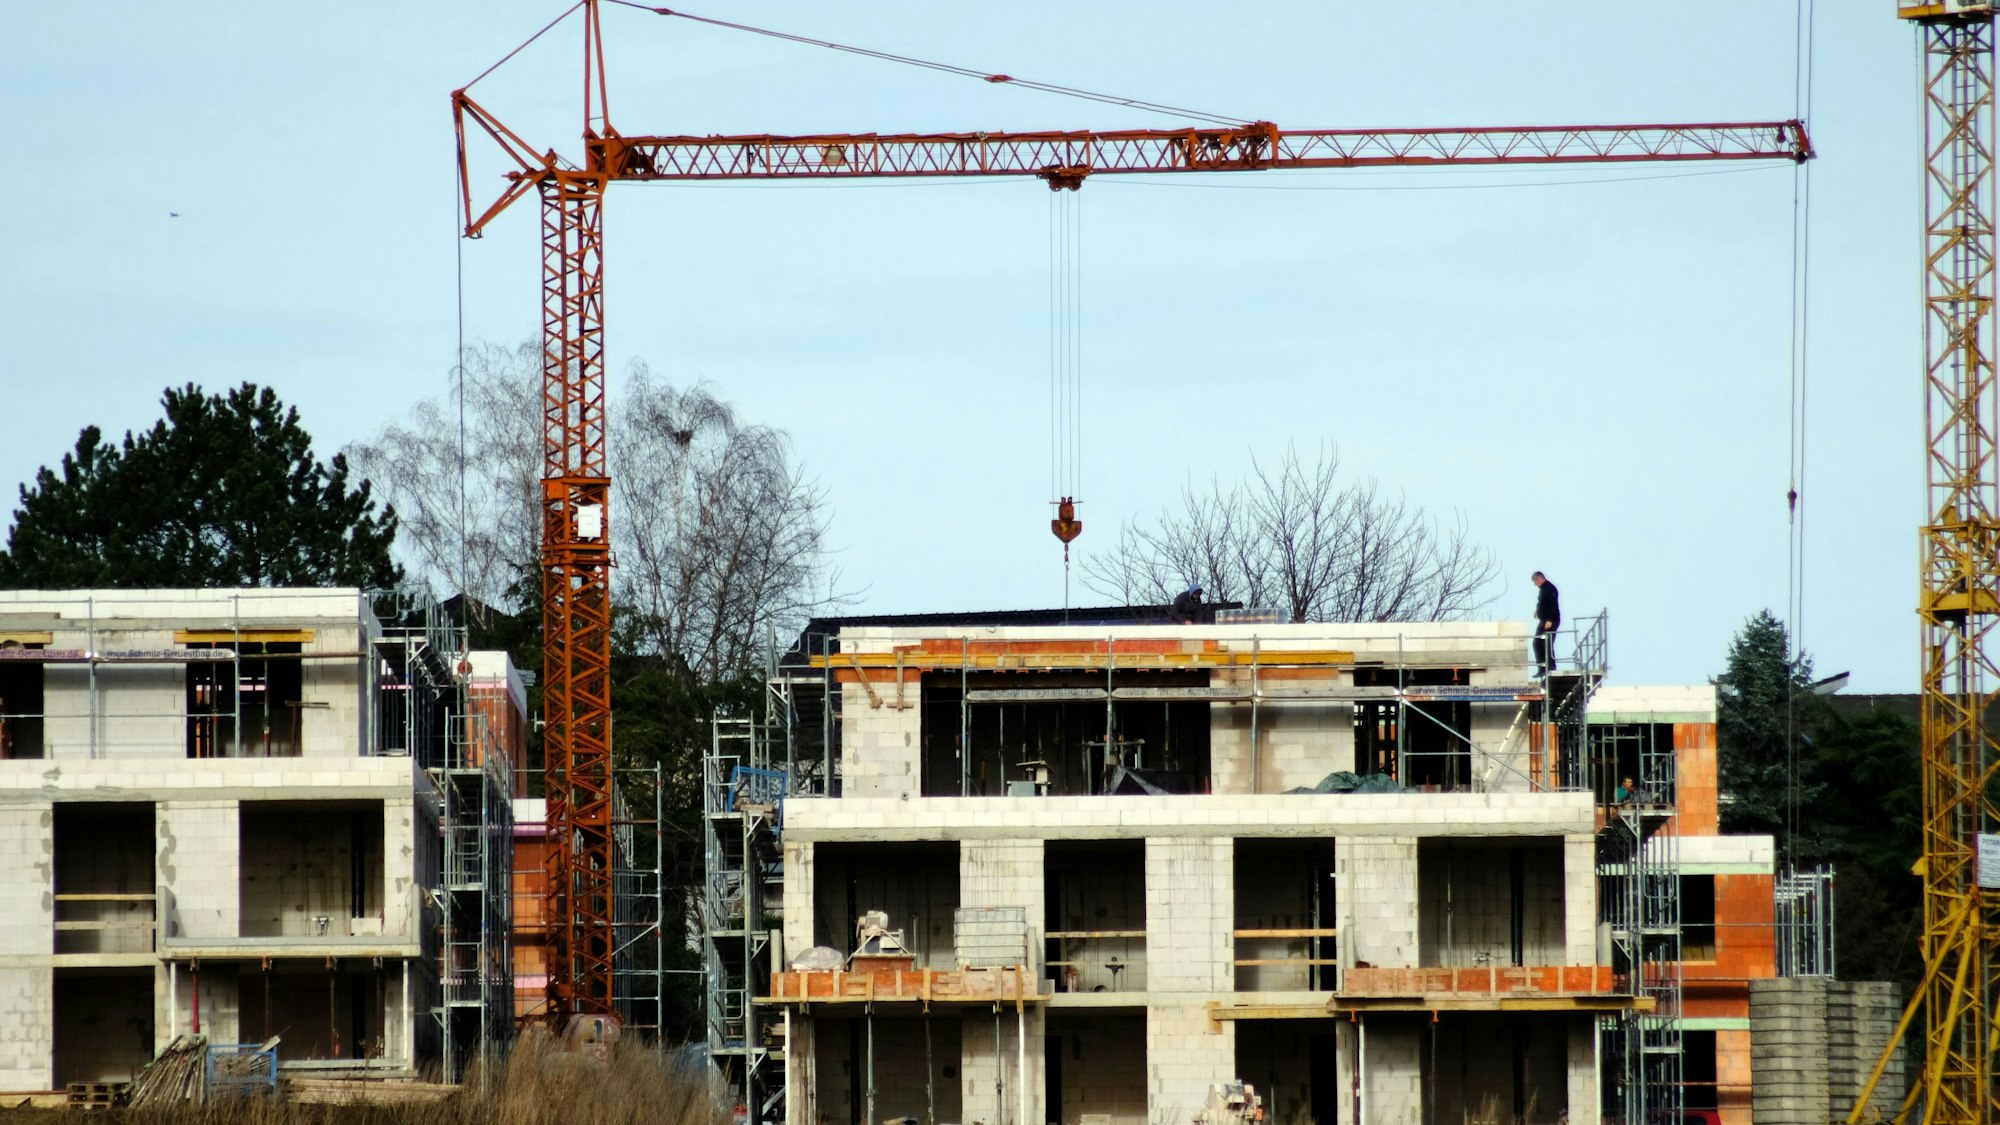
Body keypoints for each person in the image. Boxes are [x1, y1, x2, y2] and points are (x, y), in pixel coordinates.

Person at [1530, 571, 1561, 677]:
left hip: (1550, 621)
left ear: (1539, 579)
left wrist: (1550, 620)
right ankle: (1542, 667)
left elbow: (1553, 605)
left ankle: (1551, 667)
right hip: (1543, 620)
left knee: (1547, 643)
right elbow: (1543, 602)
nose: (1535, 584)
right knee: (1537, 643)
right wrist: (1537, 610)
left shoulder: (1550, 588)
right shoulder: (1543, 589)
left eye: (1535, 581)